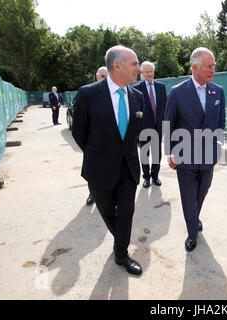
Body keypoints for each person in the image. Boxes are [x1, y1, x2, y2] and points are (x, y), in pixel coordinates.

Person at [72, 45, 145, 275]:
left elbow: (136, 131)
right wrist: (98, 152)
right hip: (99, 168)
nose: (138, 69)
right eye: (134, 64)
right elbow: (79, 132)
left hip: (128, 168)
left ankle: (121, 254)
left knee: (126, 212)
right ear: (117, 65)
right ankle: (121, 241)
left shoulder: (137, 96)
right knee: (108, 212)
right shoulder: (88, 94)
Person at [165, 47, 226, 252]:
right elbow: (168, 124)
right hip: (185, 154)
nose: (213, 70)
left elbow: (221, 122)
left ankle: (194, 216)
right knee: (188, 195)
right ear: (195, 68)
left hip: (208, 155)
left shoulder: (218, 91)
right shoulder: (177, 92)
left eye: (214, 65)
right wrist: (170, 152)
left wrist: (218, 143)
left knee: (203, 191)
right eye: (209, 66)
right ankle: (192, 232)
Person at [134, 61, 167, 188]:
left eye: (151, 71)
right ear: (142, 73)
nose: (150, 74)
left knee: (157, 153)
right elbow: (135, 110)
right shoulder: (136, 88)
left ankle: (155, 176)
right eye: (147, 71)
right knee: (144, 153)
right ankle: (146, 177)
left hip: (158, 127)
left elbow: (165, 105)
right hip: (143, 128)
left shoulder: (161, 87)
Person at [85, 66, 109, 207]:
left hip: (111, 144)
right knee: (93, 171)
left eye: (107, 77)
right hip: (93, 144)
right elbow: (80, 126)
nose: (105, 80)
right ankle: (92, 193)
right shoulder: (88, 93)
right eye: (102, 77)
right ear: (97, 77)